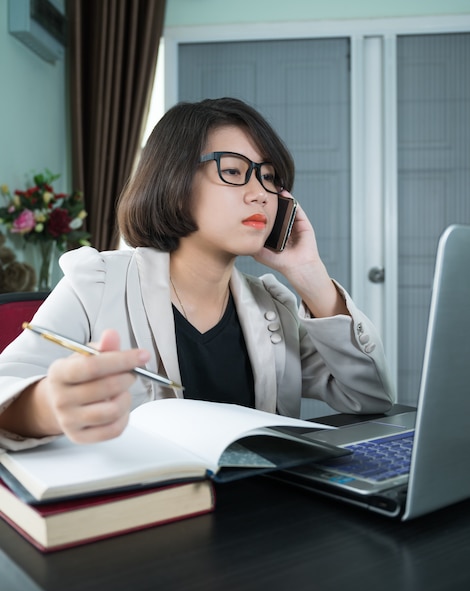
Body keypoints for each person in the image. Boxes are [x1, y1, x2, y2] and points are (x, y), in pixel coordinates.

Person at [0, 97, 394, 451]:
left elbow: (370, 396)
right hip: (148, 515)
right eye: (235, 171)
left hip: (264, 516)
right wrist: (48, 405)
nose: (259, 192)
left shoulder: (274, 307)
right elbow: (7, 387)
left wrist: (309, 274)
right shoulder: (98, 283)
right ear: (174, 180)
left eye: (270, 177)